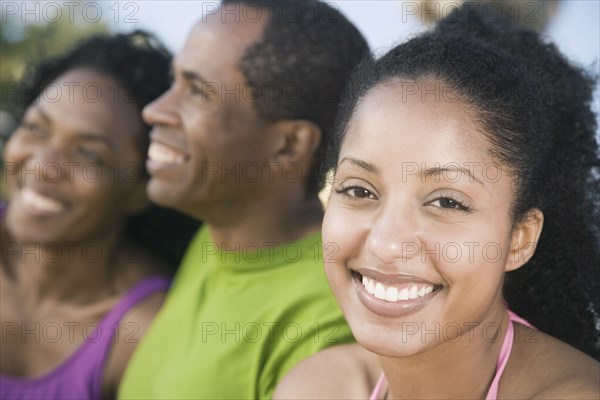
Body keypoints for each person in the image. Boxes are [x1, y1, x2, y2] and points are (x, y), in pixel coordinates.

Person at [275, 5, 600, 399]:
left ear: (519, 238)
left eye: (447, 202)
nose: (386, 244)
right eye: (359, 190)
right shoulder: (317, 387)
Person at [118, 1, 371, 398]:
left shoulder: (325, 327)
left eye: (197, 91)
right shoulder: (214, 235)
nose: (154, 111)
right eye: (174, 83)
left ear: (288, 145)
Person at [0, 31, 199, 400]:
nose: (44, 165)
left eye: (89, 155)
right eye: (35, 129)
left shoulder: (142, 332)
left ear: (141, 191)